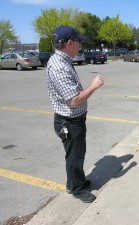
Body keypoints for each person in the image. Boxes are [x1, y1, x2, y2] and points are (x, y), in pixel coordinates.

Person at [46, 26, 104, 203]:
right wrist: (94, 85)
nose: (81, 44)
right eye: (78, 41)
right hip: (69, 122)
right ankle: (76, 188)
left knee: (77, 154)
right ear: (69, 43)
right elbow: (73, 101)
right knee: (74, 156)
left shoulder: (63, 61)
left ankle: (77, 181)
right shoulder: (59, 67)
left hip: (74, 121)